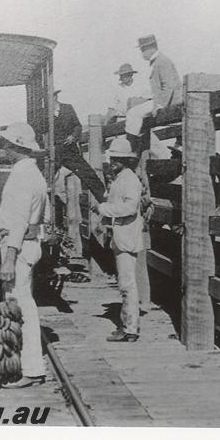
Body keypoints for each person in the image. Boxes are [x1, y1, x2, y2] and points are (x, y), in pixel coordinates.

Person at [0, 122, 49, 388]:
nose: (4, 148)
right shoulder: (35, 174)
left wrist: (9, 259)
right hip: (29, 244)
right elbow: (40, 216)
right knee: (23, 305)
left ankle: (32, 369)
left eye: (6, 144)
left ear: (16, 147)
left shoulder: (20, 176)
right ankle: (26, 365)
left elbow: (18, 222)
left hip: (17, 249)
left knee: (22, 309)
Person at [92, 136, 144, 342]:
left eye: (118, 159)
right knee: (125, 282)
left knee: (127, 283)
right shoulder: (120, 178)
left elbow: (130, 208)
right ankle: (128, 325)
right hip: (121, 236)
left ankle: (130, 328)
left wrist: (102, 208)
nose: (113, 162)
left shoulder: (129, 180)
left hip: (127, 237)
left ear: (127, 160)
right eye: (112, 158)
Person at [124, 34, 181, 158]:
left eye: (142, 50)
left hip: (170, 101)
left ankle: (130, 148)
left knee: (133, 113)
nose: (142, 54)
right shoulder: (158, 62)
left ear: (150, 48)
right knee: (136, 115)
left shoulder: (162, 61)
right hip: (163, 100)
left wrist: (159, 106)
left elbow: (169, 86)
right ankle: (133, 146)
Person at [51, 90, 107, 203]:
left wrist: (73, 136)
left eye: (52, 96)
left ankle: (105, 202)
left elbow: (77, 126)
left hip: (69, 151)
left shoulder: (67, 108)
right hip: (55, 151)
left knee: (89, 175)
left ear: (56, 96)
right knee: (47, 179)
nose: (50, 100)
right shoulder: (44, 113)